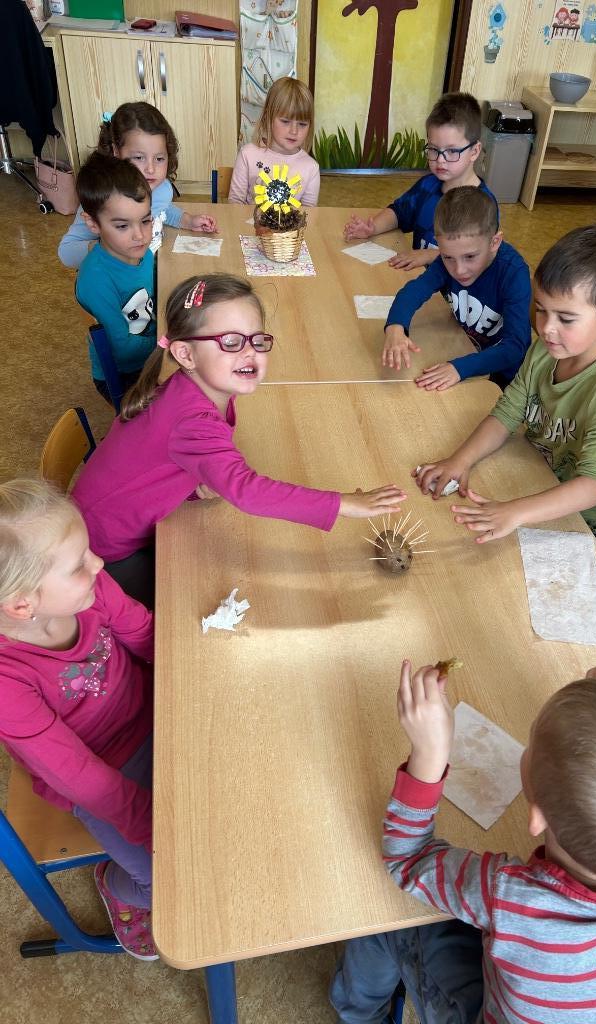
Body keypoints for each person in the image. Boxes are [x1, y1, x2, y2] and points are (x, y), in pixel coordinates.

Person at [330, 658, 596, 1024]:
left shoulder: (510, 897)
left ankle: (358, 1014)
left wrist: (429, 754)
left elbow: (408, 860)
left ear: (536, 817)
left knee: (389, 918)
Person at [71, 273, 407, 608]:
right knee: (179, 611)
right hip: (102, 550)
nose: (250, 353)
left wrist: (191, 488)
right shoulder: (193, 420)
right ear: (186, 354)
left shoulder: (201, 388)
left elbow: (155, 467)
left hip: (106, 526)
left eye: (257, 340)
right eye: (231, 342)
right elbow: (247, 492)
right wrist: (344, 503)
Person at [0, 480, 157, 960]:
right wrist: (152, 823)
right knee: (166, 880)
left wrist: (188, 671)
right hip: (100, 772)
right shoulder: (7, 680)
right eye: (79, 564)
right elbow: (77, 774)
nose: (99, 564)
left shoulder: (87, 591)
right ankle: (118, 885)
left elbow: (142, 631)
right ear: (23, 604)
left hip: (153, 709)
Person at [415, 224, 596, 550]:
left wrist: (515, 512)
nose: (546, 329)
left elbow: (592, 486)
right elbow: (507, 414)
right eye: (541, 310)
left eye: (566, 318)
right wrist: (460, 460)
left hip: (585, 518)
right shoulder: (546, 351)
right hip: (535, 475)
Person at [383, 188, 531, 390]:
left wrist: (460, 368)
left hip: (504, 379)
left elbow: (514, 347)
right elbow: (413, 292)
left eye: (470, 257)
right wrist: (395, 327)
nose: (459, 270)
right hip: (462, 348)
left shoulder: (513, 274)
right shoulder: (451, 258)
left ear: (494, 242)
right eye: (447, 257)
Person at [344, 92, 497, 272]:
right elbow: (399, 213)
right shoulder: (427, 186)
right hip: (419, 279)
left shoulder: (484, 204)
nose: (440, 160)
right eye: (433, 149)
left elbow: (483, 256)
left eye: (452, 151)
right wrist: (372, 228)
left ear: (474, 151)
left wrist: (430, 255)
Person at [58, 101, 217, 269]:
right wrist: (109, 248)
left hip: (148, 270)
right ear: (116, 152)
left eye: (159, 158)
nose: (151, 169)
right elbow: (66, 252)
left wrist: (188, 220)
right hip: (116, 278)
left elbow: (161, 208)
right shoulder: (102, 197)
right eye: (139, 158)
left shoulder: (162, 188)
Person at [74, 152, 157, 406]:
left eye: (145, 220)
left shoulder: (144, 253)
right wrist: (166, 340)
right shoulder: (96, 280)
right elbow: (122, 350)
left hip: (153, 350)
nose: (140, 236)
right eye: (122, 226)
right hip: (124, 374)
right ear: (93, 223)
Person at [229, 77, 320, 207]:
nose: (294, 131)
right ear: (268, 117)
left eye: (302, 124)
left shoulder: (311, 168)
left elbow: (308, 212)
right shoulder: (247, 154)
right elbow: (235, 203)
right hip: (250, 221)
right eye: (285, 121)